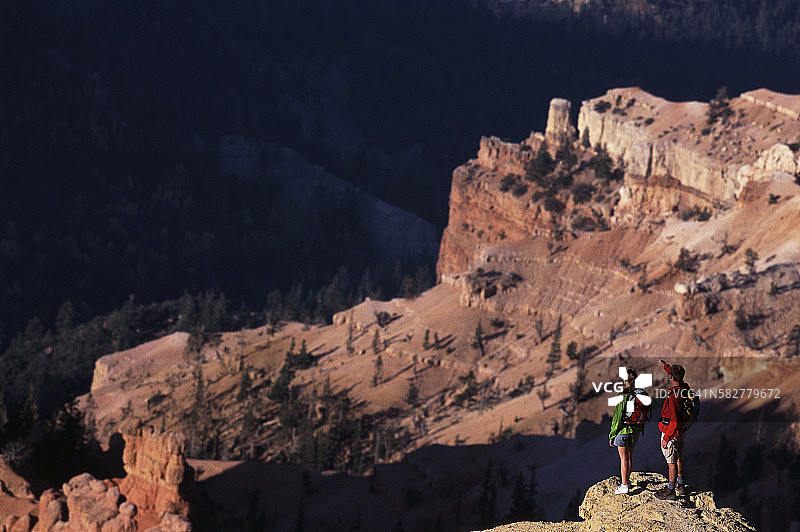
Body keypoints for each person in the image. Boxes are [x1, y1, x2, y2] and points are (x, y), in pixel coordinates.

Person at [655, 360, 690, 500]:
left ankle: (670, 490)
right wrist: (665, 366)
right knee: (679, 457)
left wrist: (666, 438)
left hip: (672, 432)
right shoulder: (684, 388)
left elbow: (673, 421)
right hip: (681, 431)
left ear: (671, 378)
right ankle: (680, 485)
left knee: (671, 462)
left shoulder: (673, 397)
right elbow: (674, 374)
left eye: (670, 374)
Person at [609, 368, 645, 495]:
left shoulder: (622, 396)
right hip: (635, 431)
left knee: (623, 458)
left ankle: (624, 485)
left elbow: (617, 418)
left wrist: (612, 435)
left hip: (623, 431)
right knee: (629, 457)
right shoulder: (640, 394)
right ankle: (627, 481)